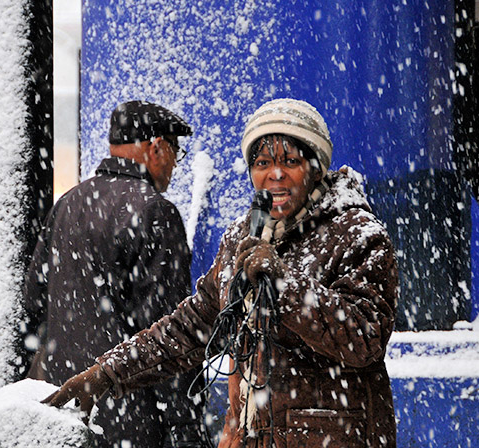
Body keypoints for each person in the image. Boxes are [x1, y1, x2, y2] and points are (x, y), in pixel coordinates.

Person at [42, 98, 399, 448]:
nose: (274, 173)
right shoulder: (243, 237)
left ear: (317, 167)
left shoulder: (356, 234)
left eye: (290, 161)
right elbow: (188, 328)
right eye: (261, 163)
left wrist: (284, 286)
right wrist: (106, 374)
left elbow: (364, 339)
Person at [22, 100, 207, 447]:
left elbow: (33, 300)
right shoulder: (155, 212)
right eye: (174, 153)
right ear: (156, 148)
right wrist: (186, 425)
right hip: (130, 413)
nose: (174, 166)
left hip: (61, 406)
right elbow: (171, 332)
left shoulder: (68, 203)